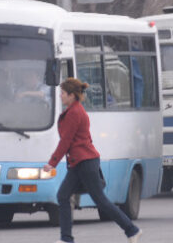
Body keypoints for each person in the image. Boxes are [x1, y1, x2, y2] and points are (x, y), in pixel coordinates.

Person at [43, 78, 142, 243]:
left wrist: (52, 163)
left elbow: (66, 141)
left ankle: (132, 230)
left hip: (85, 162)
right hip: (79, 162)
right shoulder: (75, 110)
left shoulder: (74, 113)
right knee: (63, 195)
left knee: (100, 201)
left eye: (63, 93)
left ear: (72, 95)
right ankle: (66, 239)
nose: (60, 96)